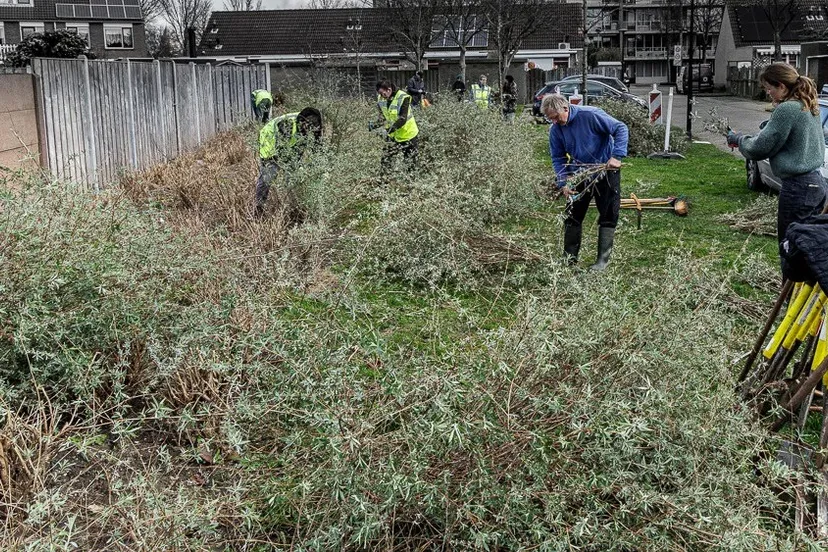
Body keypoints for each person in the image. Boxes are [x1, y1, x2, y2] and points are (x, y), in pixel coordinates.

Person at [728, 62, 828, 248]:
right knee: (811, 246)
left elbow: (759, 148)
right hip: (817, 185)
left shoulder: (787, 109)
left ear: (781, 86)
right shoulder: (807, 104)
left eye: (768, 88)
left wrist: (739, 139)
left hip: (798, 188)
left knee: (790, 246)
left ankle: (790, 277)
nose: (768, 93)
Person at [542, 93, 628, 270]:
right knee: (572, 215)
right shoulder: (555, 130)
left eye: (556, 117)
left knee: (608, 214)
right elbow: (558, 158)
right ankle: (569, 259)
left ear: (565, 108)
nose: (555, 122)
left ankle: (601, 262)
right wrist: (563, 182)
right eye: (551, 119)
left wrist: (617, 156)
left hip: (606, 170)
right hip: (579, 174)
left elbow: (620, 128)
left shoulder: (591, 115)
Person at [254, 107, 323, 218]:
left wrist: (320, 165)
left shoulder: (315, 125)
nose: (310, 130)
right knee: (269, 175)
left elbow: (317, 146)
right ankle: (259, 208)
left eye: (312, 128)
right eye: (307, 127)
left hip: (289, 142)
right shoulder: (287, 124)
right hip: (269, 139)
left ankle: (293, 209)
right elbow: (282, 152)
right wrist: (296, 166)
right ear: (303, 122)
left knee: (291, 178)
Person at [371, 80, 419, 169]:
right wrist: (374, 125)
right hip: (393, 136)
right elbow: (383, 117)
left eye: (382, 93)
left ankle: (411, 181)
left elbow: (402, 119)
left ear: (389, 90)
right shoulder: (381, 99)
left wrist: (387, 130)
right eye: (379, 94)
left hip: (408, 134)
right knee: (386, 159)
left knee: (410, 163)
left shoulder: (403, 97)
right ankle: (384, 180)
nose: (381, 96)